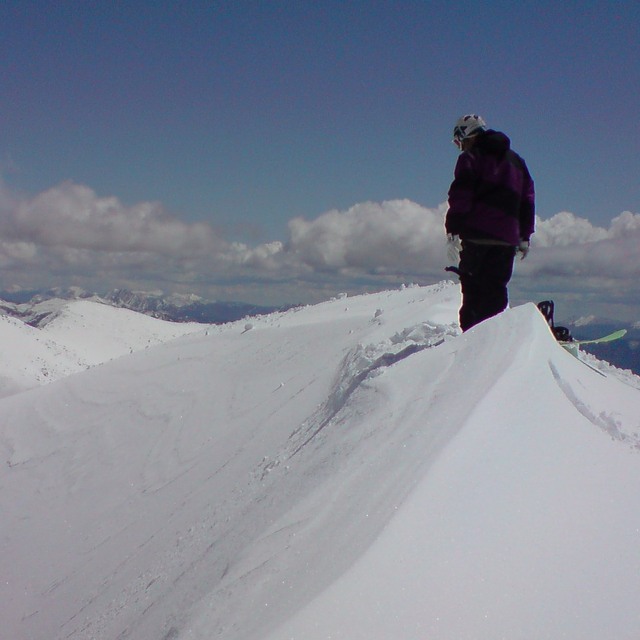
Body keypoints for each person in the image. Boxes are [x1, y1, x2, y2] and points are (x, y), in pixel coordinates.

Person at [445, 114, 535, 331]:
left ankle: (471, 345)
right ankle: (494, 344)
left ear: (467, 134)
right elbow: (527, 199)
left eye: (459, 140)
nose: (460, 146)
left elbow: (461, 197)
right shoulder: (517, 162)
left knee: (473, 295)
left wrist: (453, 231)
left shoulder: (471, 158)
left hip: (477, 237)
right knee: (495, 293)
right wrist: (524, 236)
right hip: (506, 240)